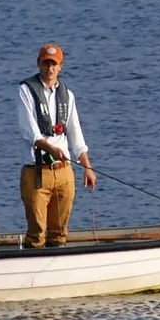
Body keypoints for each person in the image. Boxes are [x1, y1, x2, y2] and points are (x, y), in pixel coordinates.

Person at [16, 42, 96, 248]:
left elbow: (75, 133)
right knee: (36, 234)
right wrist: (51, 148)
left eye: (54, 64)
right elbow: (29, 130)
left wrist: (86, 166)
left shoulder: (67, 95)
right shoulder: (26, 91)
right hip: (37, 172)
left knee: (59, 232)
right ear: (38, 63)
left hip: (63, 172)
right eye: (46, 63)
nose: (49, 68)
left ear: (60, 66)